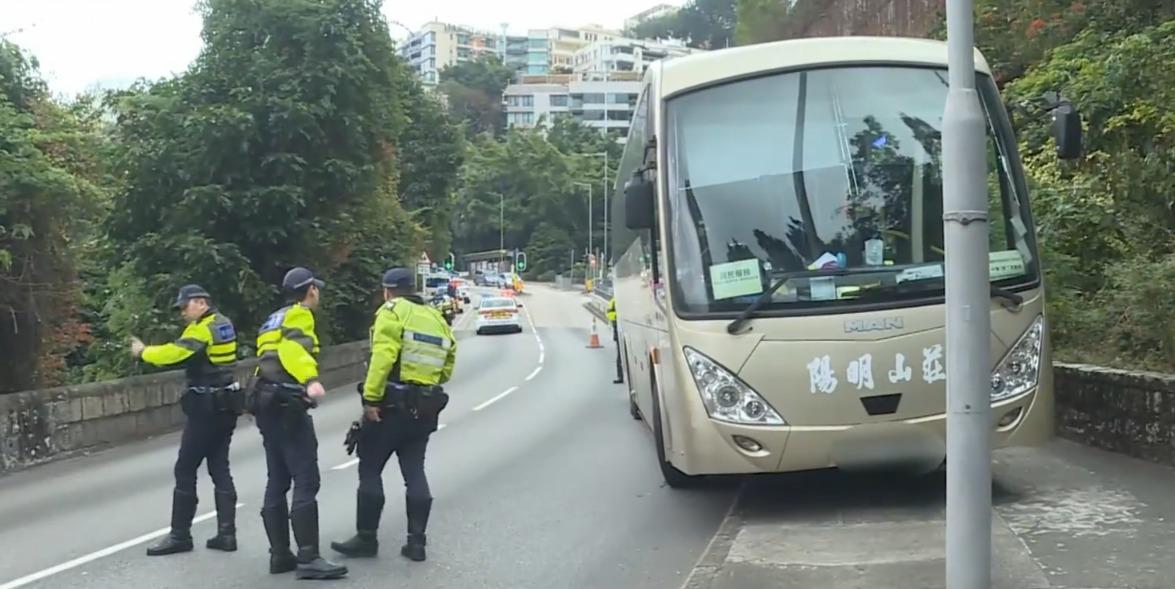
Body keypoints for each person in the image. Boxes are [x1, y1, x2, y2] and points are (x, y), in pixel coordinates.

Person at [331, 267, 456, 563]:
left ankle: (366, 538)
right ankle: (416, 543)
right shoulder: (437, 318)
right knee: (414, 472)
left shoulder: (392, 311)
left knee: (370, 468)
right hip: (424, 409)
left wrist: (371, 399)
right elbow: (447, 366)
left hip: (390, 408)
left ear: (387, 291)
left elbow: (383, 357)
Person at [132, 284, 243, 556]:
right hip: (227, 405)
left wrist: (143, 352)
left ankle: (180, 535)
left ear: (201, 302)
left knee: (185, 468)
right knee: (219, 467)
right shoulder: (224, 323)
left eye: (185, 306)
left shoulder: (202, 329)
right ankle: (227, 534)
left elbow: (175, 353)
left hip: (206, 408)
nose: (183, 312)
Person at [250, 267, 347, 580]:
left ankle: (280, 555)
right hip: (287, 404)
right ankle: (308, 558)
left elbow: (266, 361)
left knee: (277, 479)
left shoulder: (272, 319)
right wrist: (310, 380)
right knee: (305, 480)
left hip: (265, 402)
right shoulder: (300, 314)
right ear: (310, 290)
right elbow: (292, 348)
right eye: (316, 289)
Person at [608, 296, 623, 384]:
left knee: (620, 354)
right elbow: (610, 314)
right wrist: (618, 316)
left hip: (621, 328)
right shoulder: (614, 301)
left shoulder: (617, 300)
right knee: (620, 355)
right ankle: (620, 376)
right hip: (618, 329)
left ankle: (621, 375)